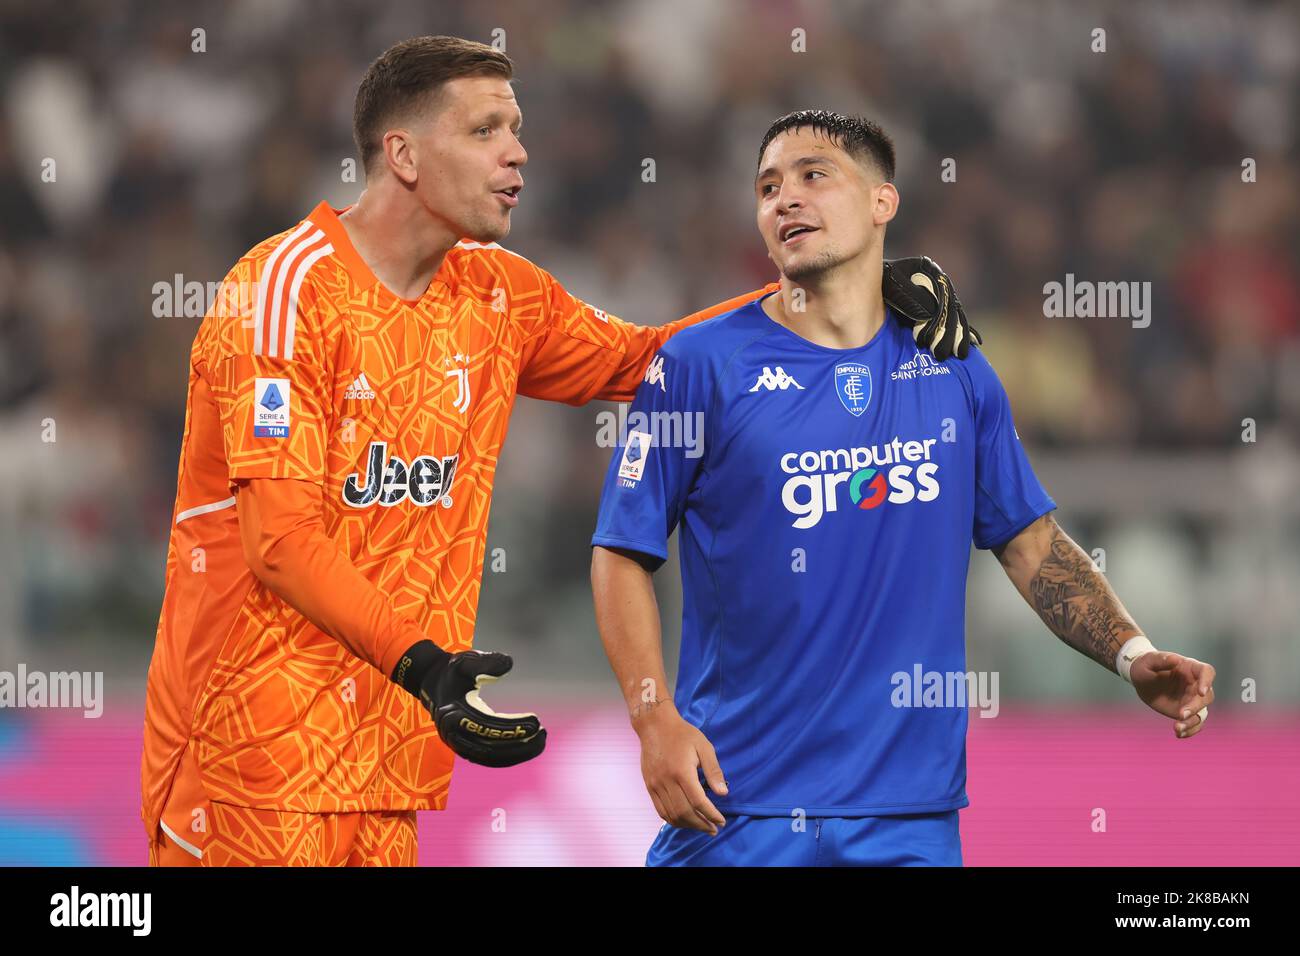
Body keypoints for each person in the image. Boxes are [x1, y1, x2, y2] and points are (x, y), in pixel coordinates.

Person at [141, 39, 968, 867]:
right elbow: (279, 540)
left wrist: (833, 278)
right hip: (247, 750)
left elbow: (657, 361)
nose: (518, 151)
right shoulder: (283, 291)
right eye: (486, 130)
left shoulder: (497, 291)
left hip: (386, 760)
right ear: (403, 155)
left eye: (519, 127)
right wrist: (424, 665)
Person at [590, 110, 1217, 867]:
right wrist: (654, 721)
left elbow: (1030, 543)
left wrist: (1130, 652)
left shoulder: (953, 366)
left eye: (814, 175)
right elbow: (621, 552)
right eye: (767, 187)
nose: (785, 198)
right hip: (736, 804)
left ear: (883, 202)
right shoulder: (697, 366)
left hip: (910, 817)